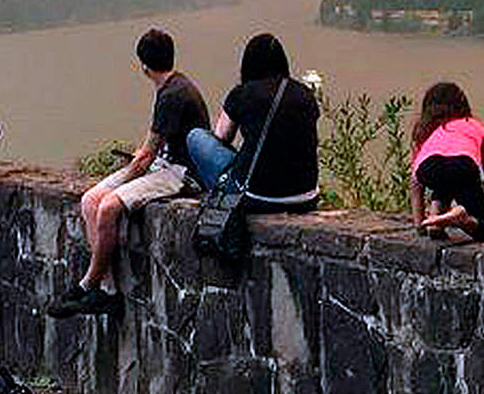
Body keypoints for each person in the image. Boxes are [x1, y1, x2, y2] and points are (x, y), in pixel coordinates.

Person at [54, 28, 210, 317]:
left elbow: (147, 155)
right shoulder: (170, 87)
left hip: (181, 172)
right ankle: (107, 291)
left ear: (143, 66)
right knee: (90, 201)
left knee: (109, 206)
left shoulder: (173, 94)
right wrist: (135, 166)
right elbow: (152, 145)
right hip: (161, 163)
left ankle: (88, 282)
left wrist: (125, 179)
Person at [183, 32, 321, 212]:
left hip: (257, 197)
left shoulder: (242, 94)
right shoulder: (305, 94)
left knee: (197, 137)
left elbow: (221, 136)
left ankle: (217, 200)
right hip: (306, 197)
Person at [409, 80, 484, 242]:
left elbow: (415, 184)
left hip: (428, 167)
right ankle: (461, 217)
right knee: (483, 230)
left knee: (443, 179)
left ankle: (434, 222)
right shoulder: (474, 125)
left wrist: (420, 224)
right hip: (462, 165)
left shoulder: (425, 131)